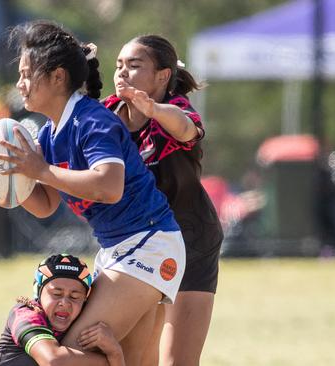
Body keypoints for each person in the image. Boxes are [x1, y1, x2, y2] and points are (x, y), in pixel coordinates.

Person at [0, 20, 186, 365]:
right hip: (126, 248)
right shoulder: (49, 134)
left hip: (147, 245)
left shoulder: (92, 121)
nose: (20, 84)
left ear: (58, 77)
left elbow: (109, 186)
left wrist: (40, 170)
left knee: (68, 357)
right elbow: (44, 205)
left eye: (28, 74)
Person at [103, 35, 223, 366]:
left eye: (134, 65)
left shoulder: (176, 110)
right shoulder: (105, 116)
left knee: (177, 361)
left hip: (190, 238)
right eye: (119, 65)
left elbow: (186, 130)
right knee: (134, 358)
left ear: (163, 76)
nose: (122, 72)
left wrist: (153, 109)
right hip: (135, 243)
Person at [0, 253, 124, 366]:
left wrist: (114, 348)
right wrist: (113, 355)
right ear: (38, 291)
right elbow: (53, 361)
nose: (65, 303)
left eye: (75, 296)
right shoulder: (26, 314)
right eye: (56, 294)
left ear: (85, 299)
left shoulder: (83, 320)